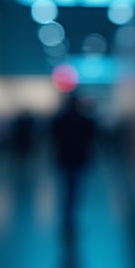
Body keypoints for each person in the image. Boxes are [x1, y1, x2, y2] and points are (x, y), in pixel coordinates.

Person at [51, 95, 95, 232]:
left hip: (64, 157)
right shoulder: (85, 120)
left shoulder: (59, 119)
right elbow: (91, 139)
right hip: (79, 158)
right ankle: (72, 216)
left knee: (65, 187)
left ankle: (66, 215)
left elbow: (54, 137)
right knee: (76, 188)